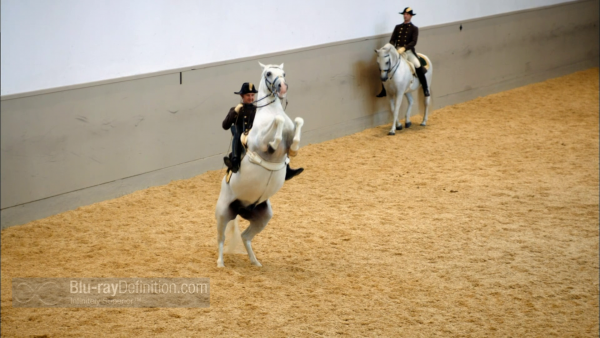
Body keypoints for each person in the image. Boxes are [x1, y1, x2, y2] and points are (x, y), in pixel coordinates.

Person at [222, 82, 304, 180]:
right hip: (243, 136)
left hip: (256, 135)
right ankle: (235, 161)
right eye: (248, 95)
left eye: (252, 95)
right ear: (242, 96)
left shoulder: (258, 110)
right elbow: (225, 125)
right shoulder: (236, 110)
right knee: (237, 134)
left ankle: (286, 167)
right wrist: (235, 111)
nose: (251, 98)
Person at [376, 7, 430, 98]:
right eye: (404, 14)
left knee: (417, 65)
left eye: (407, 14)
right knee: (384, 64)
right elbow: (392, 40)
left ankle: (425, 88)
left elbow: (413, 42)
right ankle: (384, 89)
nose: (405, 16)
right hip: (397, 52)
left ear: (411, 16)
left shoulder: (414, 28)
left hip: (408, 52)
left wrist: (404, 48)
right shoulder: (398, 27)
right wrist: (390, 47)